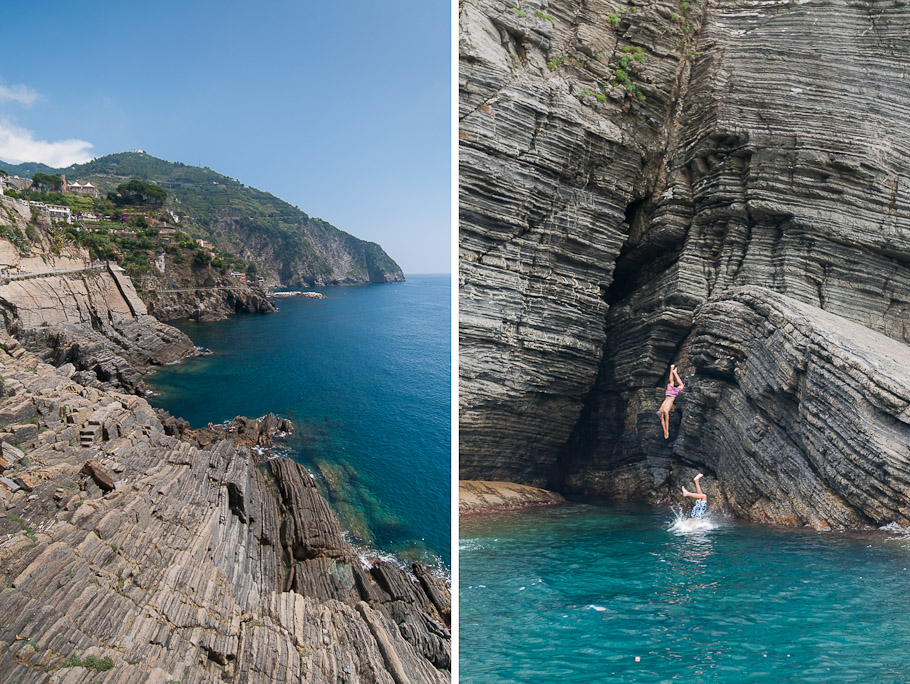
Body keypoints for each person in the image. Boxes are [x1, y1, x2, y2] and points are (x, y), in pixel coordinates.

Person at [657, 364, 684, 439]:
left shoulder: (665, 412)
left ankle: (675, 373)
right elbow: (662, 422)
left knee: (681, 385)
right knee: (671, 382)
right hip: (668, 394)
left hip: (672, 395)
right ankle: (672, 370)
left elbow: (665, 422)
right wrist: (665, 431)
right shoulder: (660, 409)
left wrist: (666, 432)